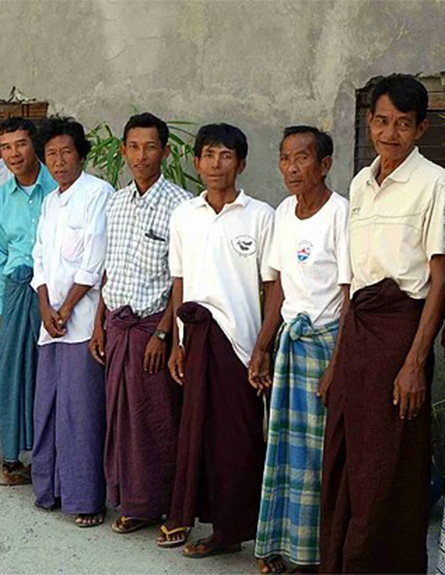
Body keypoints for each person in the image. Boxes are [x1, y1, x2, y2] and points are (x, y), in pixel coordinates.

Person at [320, 74, 445, 574]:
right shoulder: (360, 184)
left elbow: (440, 281)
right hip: (356, 341)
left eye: (403, 124)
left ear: (421, 129)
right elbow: (352, 285)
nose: (390, 134)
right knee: (344, 466)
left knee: (386, 472)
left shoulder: (434, 182)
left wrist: (415, 364)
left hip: (400, 337)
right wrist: (336, 363)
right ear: (369, 121)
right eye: (382, 121)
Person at [157, 123, 276, 557]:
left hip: (240, 346)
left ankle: (238, 532)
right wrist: (175, 340)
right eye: (208, 154)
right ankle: (203, 525)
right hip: (196, 340)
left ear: (241, 164)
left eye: (226, 155)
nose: (215, 164)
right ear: (195, 161)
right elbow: (180, 280)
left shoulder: (261, 215)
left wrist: (262, 348)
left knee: (239, 441)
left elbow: (273, 288)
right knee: (198, 437)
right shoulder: (185, 215)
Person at [250, 126, 351, 574]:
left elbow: (350, 294)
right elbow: (276, 288)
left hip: (325, 345)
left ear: (325, 164)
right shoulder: (283, 213)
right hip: (289, 346)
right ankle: (280, 544)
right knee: (282, 453)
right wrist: (262, 347)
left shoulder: (341, 214)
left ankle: (315, 553)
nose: (292, 167)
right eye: (285, 158)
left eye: (302, 158)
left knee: (316, 458)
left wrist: (336, 365)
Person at [89, 113, 190, 534]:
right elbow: (107, 270)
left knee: (156, 420)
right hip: (117, 325)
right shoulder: (115, 201)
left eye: (150, 147)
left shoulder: (182, 206)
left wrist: (165, 333)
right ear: (123, 150)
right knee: (120, 418)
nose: (141, 155)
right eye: (133, 146)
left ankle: (157, 504)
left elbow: (183, 278)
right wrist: (99, 324)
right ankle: (130, 500)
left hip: (152, 329)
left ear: (165, 152)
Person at [31, 116, 113, 527]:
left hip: (82, 324)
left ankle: (87, 499)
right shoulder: (50, 201)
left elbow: (95, 261)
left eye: (66, 152)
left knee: (82, 412)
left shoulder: (99, 194)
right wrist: (46, 306)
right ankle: (51, 490)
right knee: (47, 406)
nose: (59, 161)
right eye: (51, 154)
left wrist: (65, 310)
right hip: (52, 325)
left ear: (81, 154)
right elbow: (40, 257)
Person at [0, 117, 56, 485]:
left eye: (20, 144)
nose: (13, 154)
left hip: (55, 295)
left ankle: (47, 458)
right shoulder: (2, 197)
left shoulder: (58, 187)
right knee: (11, 375)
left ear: (34, 145)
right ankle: (10, 458)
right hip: (15, 294)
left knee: (47, 376)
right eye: (5, 147)